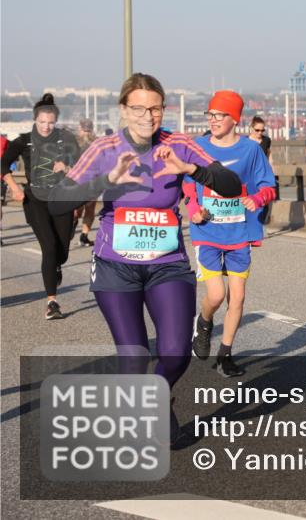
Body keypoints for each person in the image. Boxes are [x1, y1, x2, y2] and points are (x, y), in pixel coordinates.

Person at [48, 74, 241, 440]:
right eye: (138, 108)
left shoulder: (178, 143)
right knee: (134, 357)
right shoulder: (105, 148)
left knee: (175, 354)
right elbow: (58, 202)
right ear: (124, 110)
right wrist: (107, 180)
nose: (147, 116)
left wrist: (192, 170)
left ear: (163, 110)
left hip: (167, 265)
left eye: (154, 108)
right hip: (114, 266)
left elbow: (231, 186)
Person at [184, 92, 276, 377]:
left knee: (237, 298)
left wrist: (258, 199)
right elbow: (187, 183)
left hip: (239, 233)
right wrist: (194, 208)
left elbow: (268, 185)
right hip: (207, 231)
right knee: (215, 294)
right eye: (210, 115)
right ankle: (205, 321)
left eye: (219, 115)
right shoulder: (198, 147)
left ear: (234, 119)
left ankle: (225, 355)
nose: (213, 120)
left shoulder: (251, 150)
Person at [1, 94, 81, 319]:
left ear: (56, 121)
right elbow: (3, 164)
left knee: (61, 253)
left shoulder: (66, 139)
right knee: (49, 247)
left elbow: (82, 167)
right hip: (34, 200)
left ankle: (56, 265)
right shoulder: (23, 140)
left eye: (51, 122)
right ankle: (52, 303)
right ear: (35, 119)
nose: (46, 127)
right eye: (42, 122)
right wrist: (14, 187)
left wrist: (65, 167)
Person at [75, 118, 98, 247]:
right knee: (88, 209)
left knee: (80, 209)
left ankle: (78, 233)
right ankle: (83, 236)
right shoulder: (97, 142)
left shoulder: (75, 142)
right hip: (90, 180)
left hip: (79, 180)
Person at [247, 115, 275, 223]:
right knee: (251, 200)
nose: (260, 133)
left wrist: (272, 173)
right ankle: (252, 224)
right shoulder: (245, 141)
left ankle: (261, 222)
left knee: (264, 200)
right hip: (249, 177)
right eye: (257, 130)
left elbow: (269, 157)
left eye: (262, 130)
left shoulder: (266, 140)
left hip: (262, 175)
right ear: (251, 128)